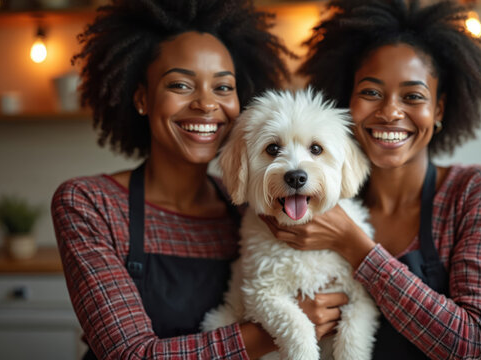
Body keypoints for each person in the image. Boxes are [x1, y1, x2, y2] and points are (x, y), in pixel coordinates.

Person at [51, 0, 347, 358]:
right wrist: (278, 331)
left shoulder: (253, 207)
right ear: (143, 98)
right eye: (180, 85)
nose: (206, 104)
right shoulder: (90, 203)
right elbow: (127, 354)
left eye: (223, 88)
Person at [263, 0, 481, 358]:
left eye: (413, 96)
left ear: (440, 109)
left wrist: (356, 246)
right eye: (370, 92)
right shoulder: (314, 197)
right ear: (346, 103)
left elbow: (478, 343)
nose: (390, 112)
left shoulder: (479, 189)